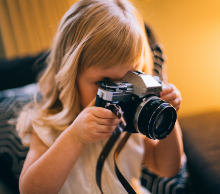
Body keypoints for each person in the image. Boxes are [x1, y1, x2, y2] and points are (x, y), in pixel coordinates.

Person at [16, 0, 183, 193]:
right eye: (105, 82)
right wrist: (75, 137)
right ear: (71, 75)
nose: (120, 93)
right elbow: (30, 190)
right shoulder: (50, 125)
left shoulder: (132, 121)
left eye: (130, 78)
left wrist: (167, 116)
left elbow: (167, 168)